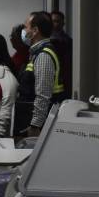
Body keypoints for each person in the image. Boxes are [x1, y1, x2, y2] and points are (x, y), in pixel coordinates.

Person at [14, 10, 67, 139]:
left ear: (35, 31)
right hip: (28, 119)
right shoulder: (36, 53)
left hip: (37, 127)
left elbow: (43, 95)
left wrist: (35, 126)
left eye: (26, 27)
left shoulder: (44, 55)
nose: (24, 31)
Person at [50, 9, 74, 93]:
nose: (54, 24)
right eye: (52, 21)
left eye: (56, 21)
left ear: (63, 23)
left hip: (62, 82)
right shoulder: (45, 40)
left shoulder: (67, 41)